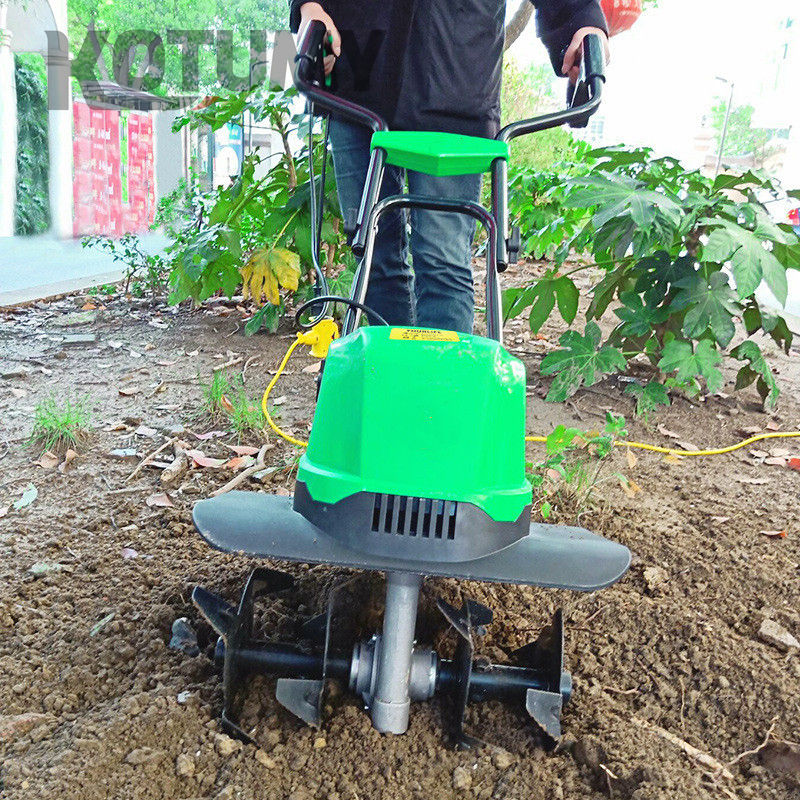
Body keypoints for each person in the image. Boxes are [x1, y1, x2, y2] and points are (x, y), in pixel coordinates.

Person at [289, 1, 609, 334]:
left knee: (442, 262)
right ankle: (394, 365)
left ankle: (443, 369)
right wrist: (309, 7)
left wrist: (582, 21)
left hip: (453, 85)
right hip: (357, 77)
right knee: (373, 257)